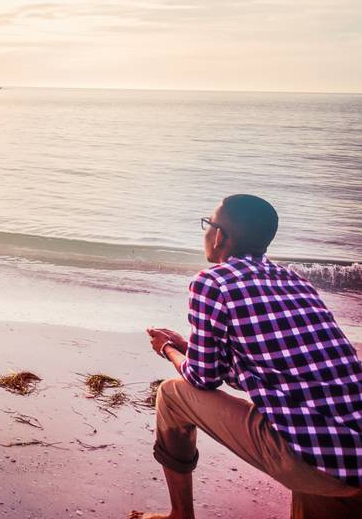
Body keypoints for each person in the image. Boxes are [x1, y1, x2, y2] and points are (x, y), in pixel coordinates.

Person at [133, 194, 361, 519]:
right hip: (351, 454)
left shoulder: (213, 282)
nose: (206, 232)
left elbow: (202, 378)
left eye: (207, 224)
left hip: (312, 460)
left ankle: (180, 514)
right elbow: (268, 367)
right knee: (298, 420)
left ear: (220, 236)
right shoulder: (296, 281)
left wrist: (168, 350)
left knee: (171, 395)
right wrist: (189, 347)